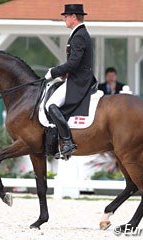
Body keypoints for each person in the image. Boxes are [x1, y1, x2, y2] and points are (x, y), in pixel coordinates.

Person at [44, 4, 95, 157]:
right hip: (76, 77)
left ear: (74, 17)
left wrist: (53, 72)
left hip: (79, 81)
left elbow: (73, 63)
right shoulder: (79, 33)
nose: (64, 19)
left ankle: (67, 142)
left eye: (66, 16)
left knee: (50, 105)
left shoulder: (79, 35)